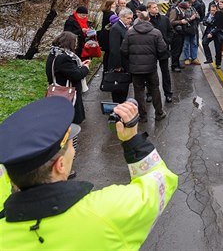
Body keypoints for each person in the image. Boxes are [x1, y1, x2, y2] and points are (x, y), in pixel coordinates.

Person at [0, 97, 178, 249]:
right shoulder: (109, 212)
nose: (74, 151)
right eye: (71, 146)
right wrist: (132, 139)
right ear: (60, 165)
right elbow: (160, 180)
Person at [121, 11, 168, 122]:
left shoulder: (130, 32)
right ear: (149, 20)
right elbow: (162, 49)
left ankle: (142, 116)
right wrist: (154, 57)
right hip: (151, 67)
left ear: (138, 20)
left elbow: (123, 50)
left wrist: (132, 59)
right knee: (155, 89)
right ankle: (159, 113)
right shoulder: (156, 32)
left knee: (139, 91)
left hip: (135, 68)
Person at [46, 31, 91, 125]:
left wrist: (79, 66)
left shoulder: (54, 53)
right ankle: (71, 139)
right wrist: (85, 68)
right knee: (71, 125)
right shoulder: (64, 57)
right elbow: (76, 75)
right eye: (75, 42)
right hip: (67, 93)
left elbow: (66, 70)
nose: (76, 45)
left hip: (58, 88)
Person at [147, 1, 173, 103]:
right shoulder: (146, 20)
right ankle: (149, 93)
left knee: (165, 72)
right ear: (148, 9)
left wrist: (167, 41)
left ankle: (168, 93)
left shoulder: (164, 19)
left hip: (163, 50)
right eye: (153, 7)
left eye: (156, 7)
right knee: (149, 73)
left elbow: (170, 31)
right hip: (150, 51)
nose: (156, 9)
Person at [108, 8, 134, 103]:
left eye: (131, 18)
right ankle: (118, 107)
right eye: (128, 18)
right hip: (119, 65)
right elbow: (115, 49)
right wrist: (117, 66)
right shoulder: (116, 28)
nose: (130, 20)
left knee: (123, 87)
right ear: (122, 17)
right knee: (118, 88)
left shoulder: (122, 26)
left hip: (124, 63)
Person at [168, 1, 190, 72]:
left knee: (179, 50)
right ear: (182, 8)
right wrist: (181, 22)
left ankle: (177, 64)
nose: (185, 10)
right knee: (175, 51)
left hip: (180, 33)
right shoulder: (174, 11)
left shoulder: (180, 11)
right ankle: (174, 66)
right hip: (175, 34)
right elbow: (170, 22)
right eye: (185, 9)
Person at [201, 3, 223, 68]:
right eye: (211, 10)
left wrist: (212, 33)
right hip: (209, 32)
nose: (212, 12)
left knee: (218, 49)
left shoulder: (220, 15)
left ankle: (218, 63)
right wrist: (206, 21)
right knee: (204, 42)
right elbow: (204, 20)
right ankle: (209, 59)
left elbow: (218, 26)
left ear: (216, 10)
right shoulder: (209, 14)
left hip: (217, 33)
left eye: (214, 10)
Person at [98, 0, 118, 72]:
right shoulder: (111, 13)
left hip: (104, 34)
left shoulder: (105, 12)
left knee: (107, 52)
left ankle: (106, 67)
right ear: (109, 5)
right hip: (108, 35)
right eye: (113, 4)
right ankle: (107, 67)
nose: (115, 5)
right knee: (109, 52)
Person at [182, 0, 201, 65]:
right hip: (186, 29)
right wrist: (191, 18)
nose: (189, 5)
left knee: (194, 43)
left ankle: (194, 58)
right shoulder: (183, 10)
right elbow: (183, 19)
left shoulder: (193, 8)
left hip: (193, 29)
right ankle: (186, 58)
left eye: (190, 3)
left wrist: (196, 16)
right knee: (186, 44)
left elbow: (198, 16)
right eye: (188, 3)